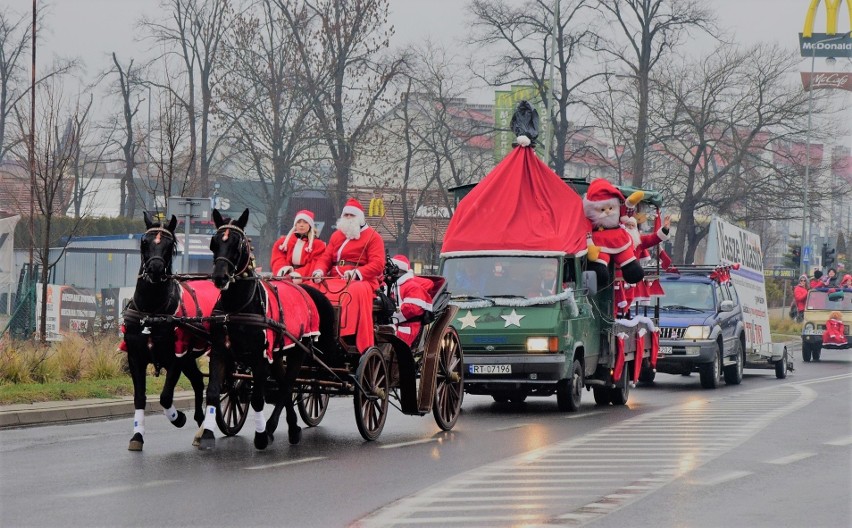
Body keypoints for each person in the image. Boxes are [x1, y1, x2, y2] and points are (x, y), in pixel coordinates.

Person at [311, 198, 386, 353]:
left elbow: (378, 264)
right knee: (312, 288)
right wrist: (319, 271)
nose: (348, 218)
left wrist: (357, 273)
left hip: (362, 281)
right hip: (334, 278)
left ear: (359, 217)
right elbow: (325, 258)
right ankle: (311, 328)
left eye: (352, 215)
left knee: (350, 292)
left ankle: (342, 334)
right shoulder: (336, 236)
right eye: (346, 215)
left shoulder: (373, 237)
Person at [388, 255, 433, 347]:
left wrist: (390, 315)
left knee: (386, 336)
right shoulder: (391, 286)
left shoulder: (412, 287)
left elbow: (412, 309)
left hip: (408, 327)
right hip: (393, 323)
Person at [270, 209, 326, 282]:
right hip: (285, 277)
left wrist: (296, 276)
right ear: (295, 224)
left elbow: (313, 264)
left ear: (310, 225)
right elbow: (278, 258)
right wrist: (284, 273)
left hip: (306, 279)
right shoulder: (283, 243)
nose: (301, 225)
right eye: (299, 222)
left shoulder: (318, 245)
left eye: (305, 222)